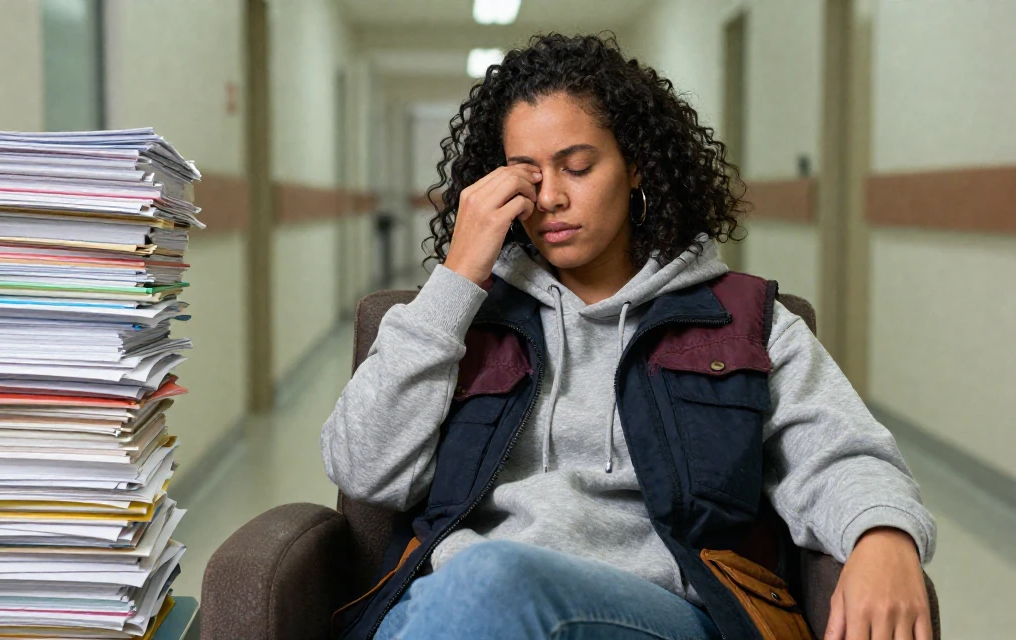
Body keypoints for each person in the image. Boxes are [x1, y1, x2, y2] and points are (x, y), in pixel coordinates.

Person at [322, 33, 936, 640]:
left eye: (578, 166)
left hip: (647, 612)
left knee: (491, 580)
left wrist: (882, 534)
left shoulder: (741, 322)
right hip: (454, 603)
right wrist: (456, 281)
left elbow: (841, 452)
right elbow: (364, 470)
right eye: (526, 175)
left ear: (635, 164)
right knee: (475, 587)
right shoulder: (462, 319)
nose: (552, 197)